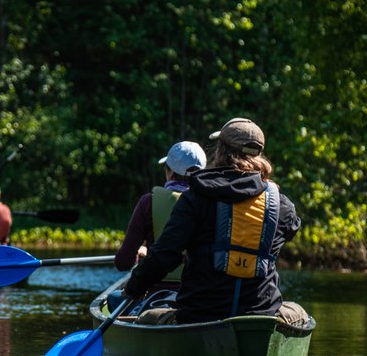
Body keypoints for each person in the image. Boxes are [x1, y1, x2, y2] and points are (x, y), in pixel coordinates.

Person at [122, 118, 308, 326]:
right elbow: (292, 227)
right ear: (259, 154)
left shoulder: (195, 198)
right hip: (260, 314)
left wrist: (134, 288)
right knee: (299, 313)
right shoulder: (281, 206)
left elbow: (164, 254)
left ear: (221, 152)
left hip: (199, 315)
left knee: (146, 318)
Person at [114, 141, 207, 277]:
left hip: (156, 288)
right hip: (196, 291)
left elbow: (123, 263)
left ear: (169, 172)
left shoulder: (148, 202)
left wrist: (141, 253)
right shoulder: (210, 201)